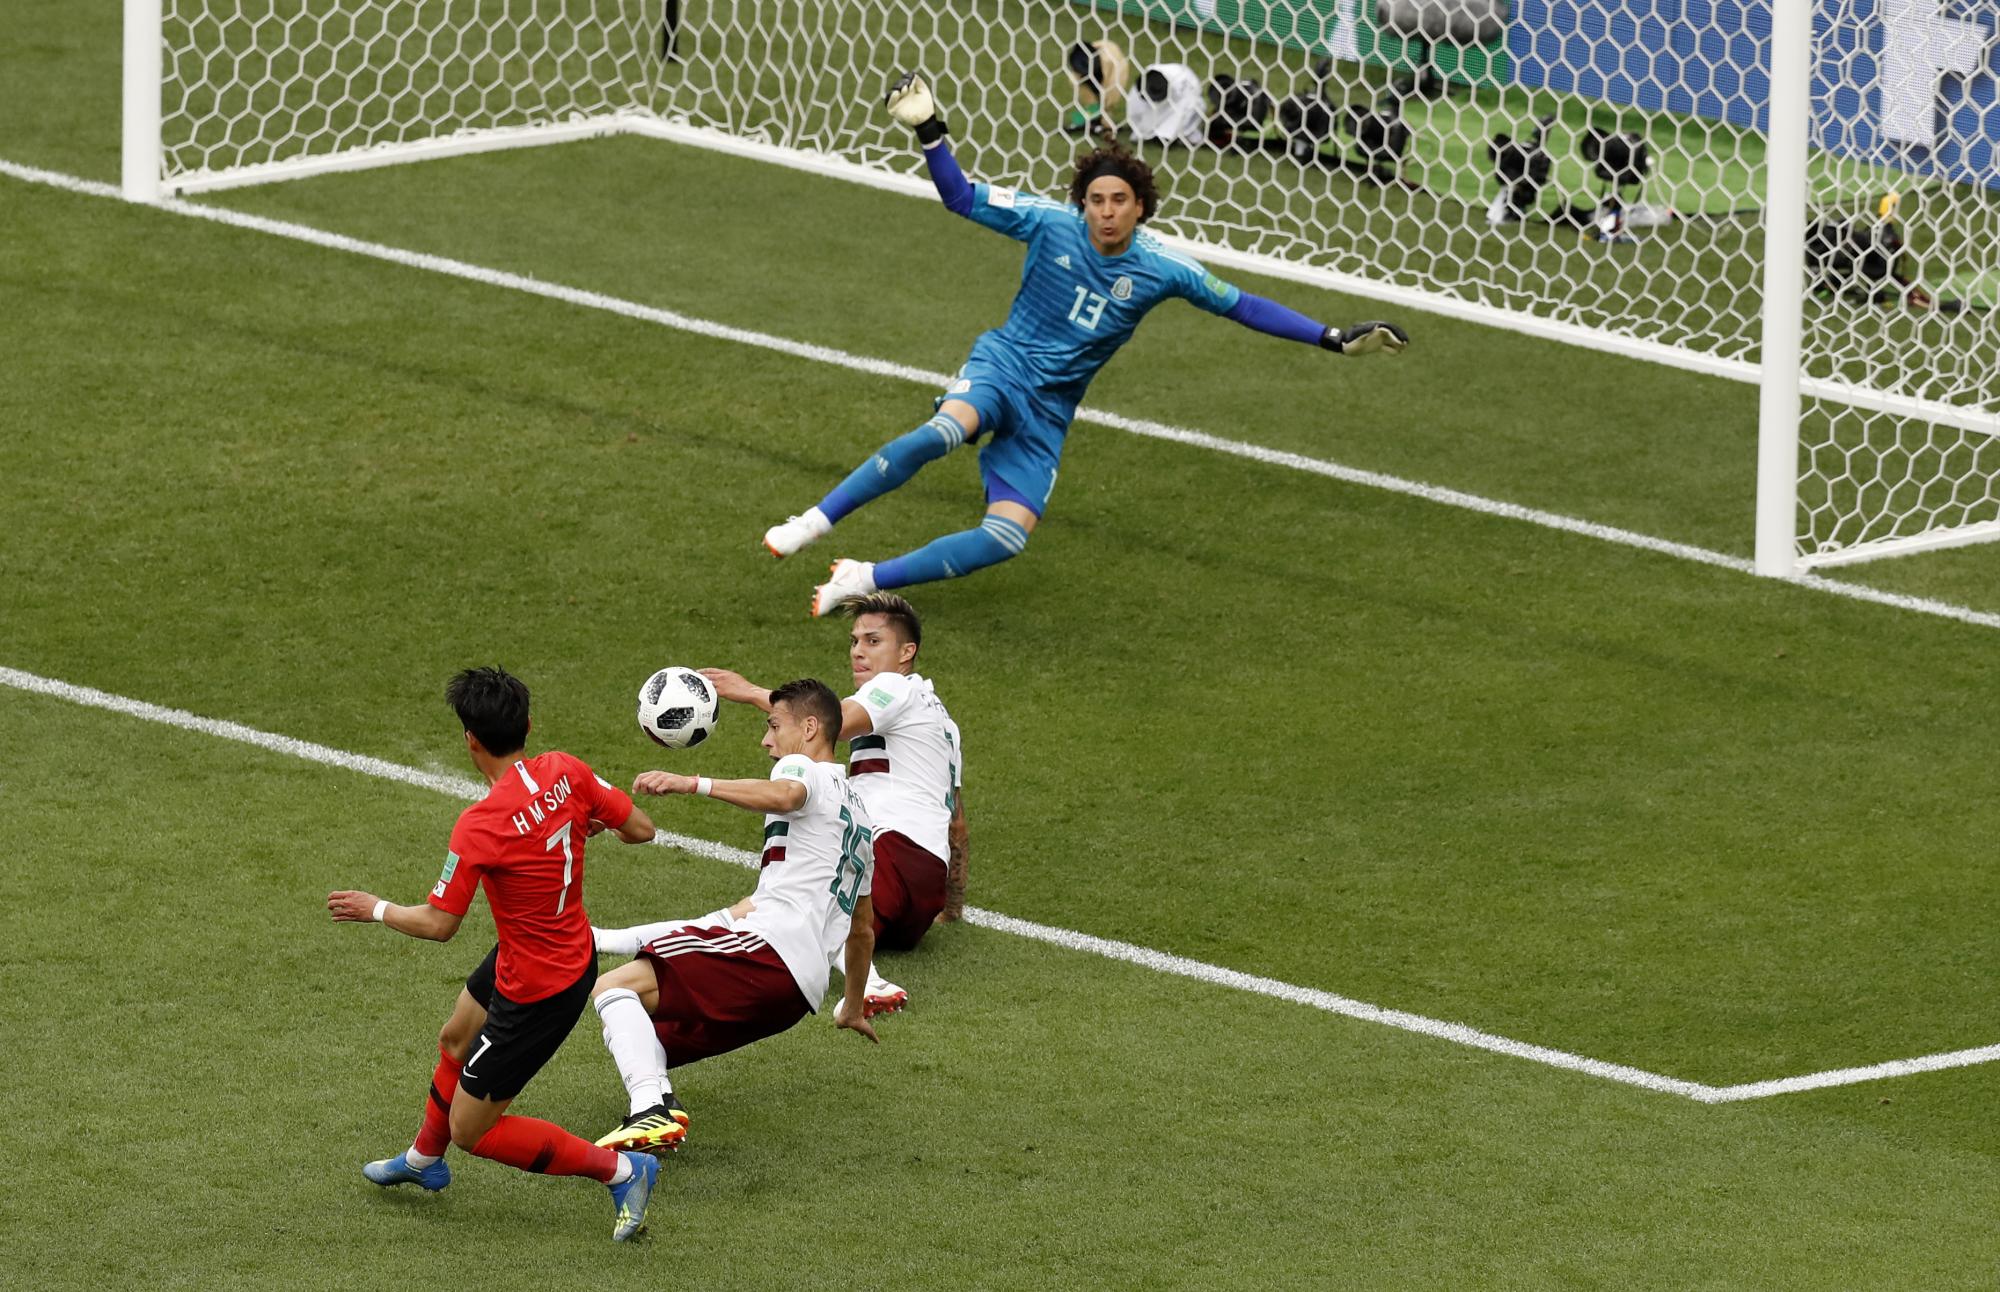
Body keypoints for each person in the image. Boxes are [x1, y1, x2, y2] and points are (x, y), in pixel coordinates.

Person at [762, 72, 1410, 615]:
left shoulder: (1165, 269)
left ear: (1140, 208)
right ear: (1083, 202)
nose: (1105, 211)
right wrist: (930, 129)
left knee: (1006, 537)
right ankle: (811, 522)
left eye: (1118, 200)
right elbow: (959, 197)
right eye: (1095, 199)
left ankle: (864, 578)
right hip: (1003, 365)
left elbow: (1243, 305)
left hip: (1049, 410)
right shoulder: (1049, 222)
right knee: (943, 432)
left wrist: (1329, 337)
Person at [326, 667, 665, 1243]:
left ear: (471, 740)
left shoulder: (480, 826)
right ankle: (422, 1160)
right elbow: (641, 828)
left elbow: (438, 925)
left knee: (474, 1130)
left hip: (540, 993)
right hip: (540, 951)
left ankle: (624, 1170)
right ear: (528, 725)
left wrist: (374, 908)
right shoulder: (568, 770)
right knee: (456, 1036)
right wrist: (578, 822)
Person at [586, 678, 881, 1155]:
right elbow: (860, 930)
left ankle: (650, 1111)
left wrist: (692, 783)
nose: (766, 740)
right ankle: (655, 1115)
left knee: (614, 989)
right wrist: (850, 1005)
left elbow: (785, 794)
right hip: (797, 994)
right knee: (644, 1033)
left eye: (773, 725)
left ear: (809, 728)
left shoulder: (805, 769)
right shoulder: (861, 819)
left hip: (771, 953)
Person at [700, 592, 963, 1016]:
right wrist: (949, 907)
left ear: (907, 652)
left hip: (890, 850)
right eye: (854, 641)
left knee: (802, 901)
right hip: (922, 888)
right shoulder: (945, 725)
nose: (858, 651)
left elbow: (831, 724)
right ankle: (649, 936)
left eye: (873, 641)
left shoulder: (895, 687)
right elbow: (958, 822)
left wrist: (749, 692)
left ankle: (872, 986)